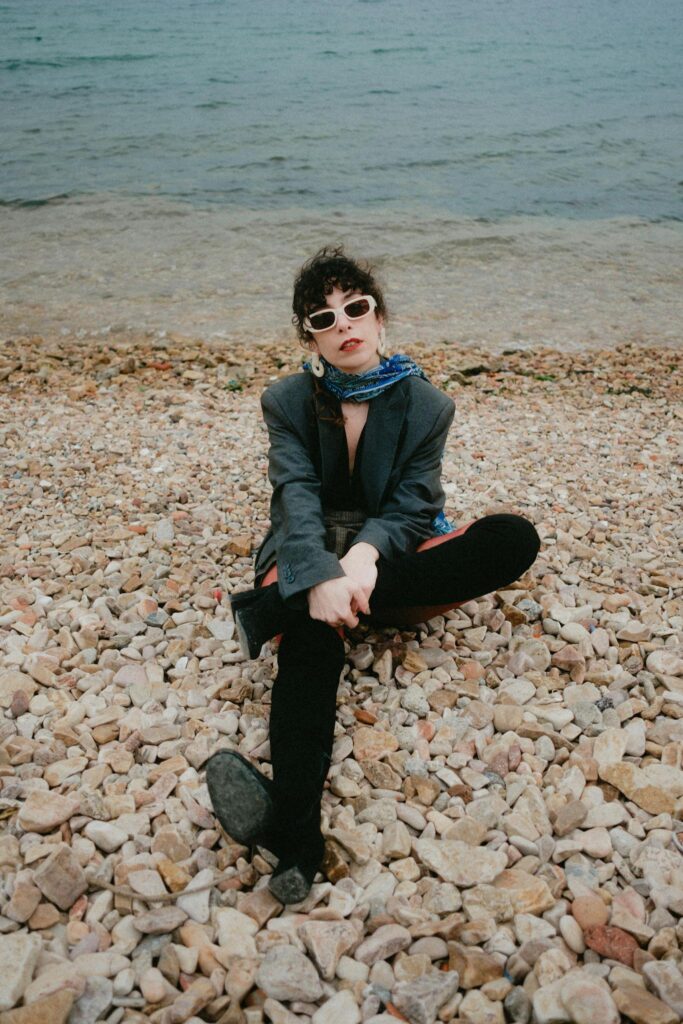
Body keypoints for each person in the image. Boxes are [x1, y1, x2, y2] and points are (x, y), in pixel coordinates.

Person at [206, 246, 541, 904]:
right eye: (322, 318)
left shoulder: (426, 406)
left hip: (393, 556)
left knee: (512, 537)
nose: (343, 323)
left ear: (379, 318)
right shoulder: (287, 401)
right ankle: (295, 839)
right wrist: (317, 573)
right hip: (307, 552)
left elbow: (414, 505)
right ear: (308, 336)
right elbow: (294, 497)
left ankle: (277, 607)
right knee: (309, 646)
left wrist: (359, 562)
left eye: (354, 308)